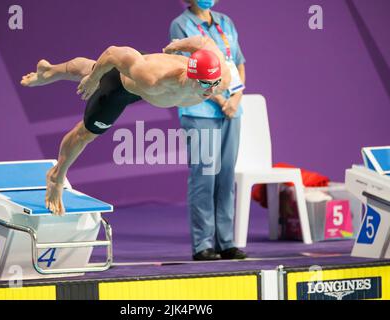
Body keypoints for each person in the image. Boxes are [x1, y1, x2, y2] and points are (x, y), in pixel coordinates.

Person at [20, 36, 231, 216]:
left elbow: (205, 42)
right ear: (191, 75)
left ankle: (48, 71)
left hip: (149, 87)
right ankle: (56, 177)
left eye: (214, 82)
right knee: (86, 132)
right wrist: (93, 80)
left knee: (91, 67)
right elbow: (112, 53)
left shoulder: (220, 79)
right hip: (122, 86)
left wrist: (178, 45)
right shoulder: (152, 77)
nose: (211, 90)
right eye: (205, 83)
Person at [169, 0, 247, 261]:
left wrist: (236, 97)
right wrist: (220, 99)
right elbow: (188, 70)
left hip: (232, 112)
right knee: (205, 178)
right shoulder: (181, 25)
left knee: (226, 177)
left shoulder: (226, 22)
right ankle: (203, 244)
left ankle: (227, 243)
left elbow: (238, 62)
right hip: (200, 109)